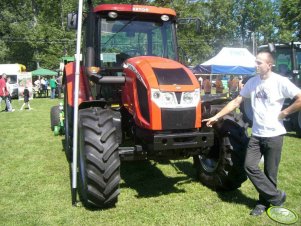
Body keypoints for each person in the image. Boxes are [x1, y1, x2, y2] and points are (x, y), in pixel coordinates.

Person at [203, 51, 301, 216]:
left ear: (269, 65)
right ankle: (277, 196)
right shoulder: (252, 82)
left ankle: (263, 203)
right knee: (249, 166)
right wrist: (216, 116)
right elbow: (236, 101)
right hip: (257, 134)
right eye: (255, 62)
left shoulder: (280, 81)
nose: (256, 66)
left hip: (274, 135)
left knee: (271, 173)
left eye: (259, 63)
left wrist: (284, 113)